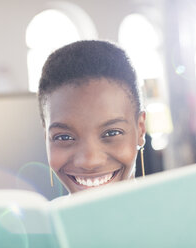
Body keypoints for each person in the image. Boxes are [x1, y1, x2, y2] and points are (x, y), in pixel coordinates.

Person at [38, 40, 146, 194]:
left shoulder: (180, 215)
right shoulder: (44, 218)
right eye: (64, 137)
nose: (89, 161)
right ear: (46, 138)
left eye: (112, 133)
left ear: (141, 130)